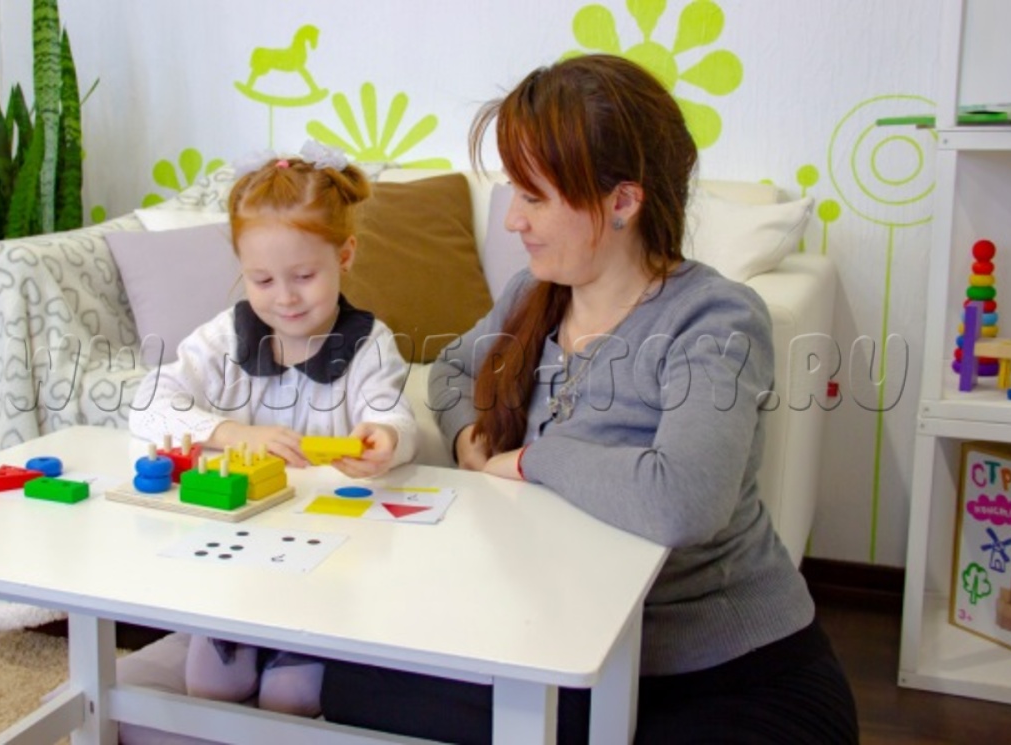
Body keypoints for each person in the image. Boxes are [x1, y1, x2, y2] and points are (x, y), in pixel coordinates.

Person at [318, 55, 859, 744]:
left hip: (723, 674)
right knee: (349, 687)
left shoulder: (716, 318)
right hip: (570, 657)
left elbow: (683, 500)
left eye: (534, 197)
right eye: (514, 193)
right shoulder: (534, 295)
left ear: (623, 202)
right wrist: (467, 441)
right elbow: (451, 372)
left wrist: (530, 460)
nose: (513, 220)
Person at [124, 147, 418, 727]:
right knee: (210, 685)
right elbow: (147, 405)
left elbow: (396, 418)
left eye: (304, 277)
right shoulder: (224, 337)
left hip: (328, 565)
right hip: (234, 557)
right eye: (262, 279)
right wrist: (233, 433)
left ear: (345, 256)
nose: (284, 297)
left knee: (291, 699)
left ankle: (307, 645)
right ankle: (229, 633)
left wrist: (385, 436)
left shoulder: (368, 344)